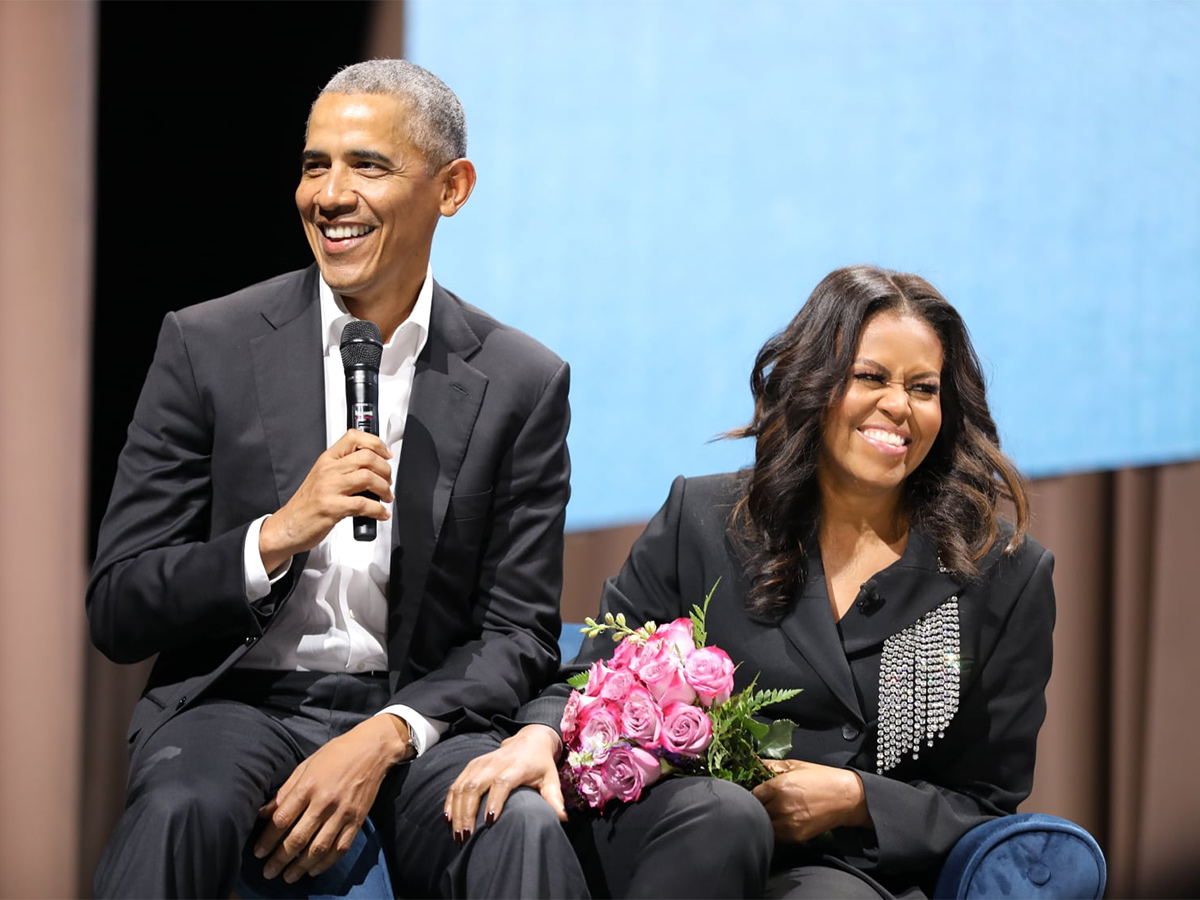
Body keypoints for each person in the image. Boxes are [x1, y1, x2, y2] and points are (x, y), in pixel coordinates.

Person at [87, 59, 578, 899]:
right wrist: (276, 535)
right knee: (180, 807)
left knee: (519, 826)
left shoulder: (521, 380)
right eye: (316, 164)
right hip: (240, 702)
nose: (329, 194)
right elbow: (121, 604)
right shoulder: (208, 346)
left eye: (368, 166)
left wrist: (389, 731)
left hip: (424, 718)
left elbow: (519, 633)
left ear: (451, 188)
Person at [445, 264, 1055, 899]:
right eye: (870, 377)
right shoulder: (705, 520)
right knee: (722, 817)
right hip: (681, 827)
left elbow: (985, 798)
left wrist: (856, 798)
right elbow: (590, 674)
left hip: (841, 866)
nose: (898, 406)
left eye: (923, 388)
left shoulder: (1005, 576)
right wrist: (538, 731)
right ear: (814, 383)